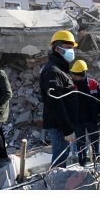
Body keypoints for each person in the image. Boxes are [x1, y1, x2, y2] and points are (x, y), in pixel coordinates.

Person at [39, 30, 78, 168]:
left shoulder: (60, 69)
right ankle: (55, 184)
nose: (72, 50)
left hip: (62, 123)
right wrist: (67, 129)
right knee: (60, 159)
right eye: (68, 47)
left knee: (62, 156)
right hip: (59, 125)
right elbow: (56, 102)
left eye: (72, 47)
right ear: (57, 48)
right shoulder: (53, 71)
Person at [70, 60, 100, 166]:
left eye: (75, 75)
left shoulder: (93, 83)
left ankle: (96, 159)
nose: (73, 77)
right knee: (80, 142)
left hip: (92, 119)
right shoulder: (70, 85)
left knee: (95, 140)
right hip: (77, 120)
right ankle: (82, 162)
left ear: (82, 74)